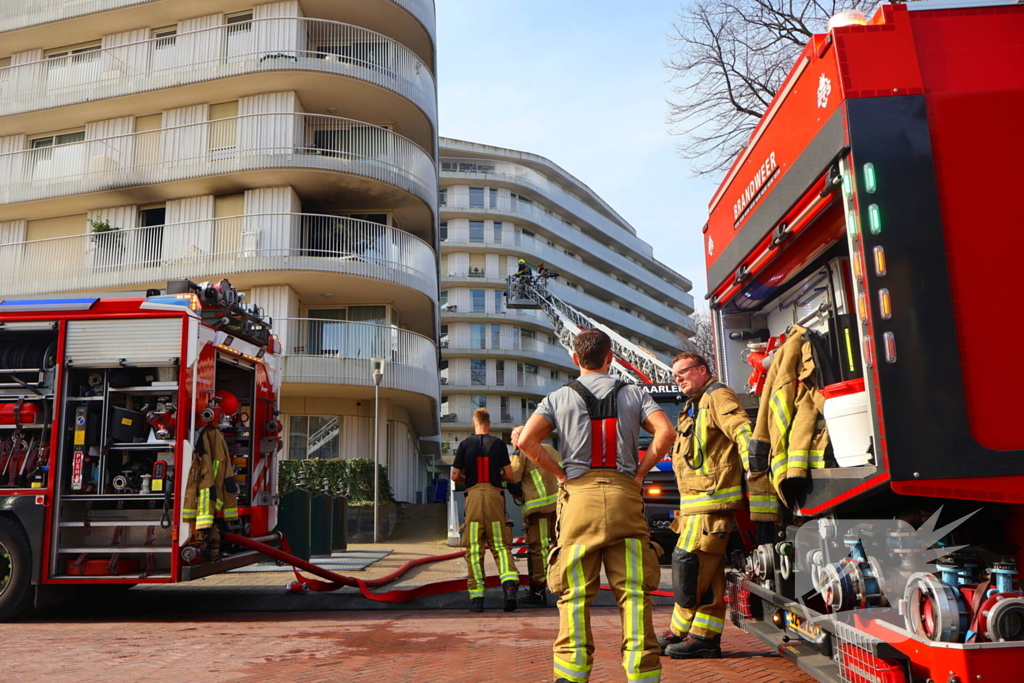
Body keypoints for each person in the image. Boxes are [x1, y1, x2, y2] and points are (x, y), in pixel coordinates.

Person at [518, 329, 675, 683]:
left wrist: (560, 474)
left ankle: (571, 675)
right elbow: (665, 433)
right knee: (634, 593)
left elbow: (527, 440)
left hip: (579, 500)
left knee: (574, 595)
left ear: (576, 359)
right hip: (624, 497)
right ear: (611, 358)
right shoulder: (634, 393)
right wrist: (640, 472)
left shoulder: (558, 397)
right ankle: (642, 673)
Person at [657, 352, 770, 659]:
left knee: (688, 569)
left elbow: (741, 430)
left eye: (684, 372)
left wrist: (755, 470)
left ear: (703, 370)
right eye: (675, 375)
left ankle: (682, 632)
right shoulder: (692, 405)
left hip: (711, 504)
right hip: (696, 504)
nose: (678, 379)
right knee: (709, 577)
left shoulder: (717, 395)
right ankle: (701, 637)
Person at [451, 408, 520, 613]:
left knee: (473, 548)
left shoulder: (464, 445)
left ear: (474, 424)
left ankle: (477, 599)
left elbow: (455, 476)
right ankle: (509, 587)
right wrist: (496, 478)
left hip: (472, 498)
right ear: (489, 424)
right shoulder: (499, 444)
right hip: (494, 498)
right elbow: (509, 474)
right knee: (500, 546)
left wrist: (468, 480)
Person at [509, 424, 559, 606]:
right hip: (560, 506)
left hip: (539, 509)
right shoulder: (552, 449)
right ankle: (564, 587)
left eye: (512, 438)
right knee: (560, 546)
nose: (512, 442)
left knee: (538, 549)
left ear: (521, 436)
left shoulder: (522, 451)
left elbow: (512, 481)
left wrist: (518, 494)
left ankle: (538, 592)